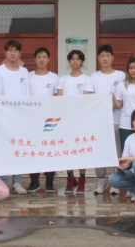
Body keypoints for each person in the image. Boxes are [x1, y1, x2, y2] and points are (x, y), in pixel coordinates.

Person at [0, 39, 29, 194]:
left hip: (20, 117)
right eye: (10, 50)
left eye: (15, 50)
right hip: (3, 117)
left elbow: (26, 94)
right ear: (5, 53)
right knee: (4, 148)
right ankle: (3, 181)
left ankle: (17, 182)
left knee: (18, 147)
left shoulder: (24, 72)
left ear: (20, 53)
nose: (12, 53)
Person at [84, 44, 126, 195]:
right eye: (102, 56)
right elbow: (88, 96)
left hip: (116, 120)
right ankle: (101, 180)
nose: (105, 58)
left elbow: (123, 97)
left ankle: (114, 181)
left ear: (113, 57)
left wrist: (110, 108)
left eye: (108, 55)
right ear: (98, 58)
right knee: (100, 150)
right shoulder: (94, 77)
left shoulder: (121, 76)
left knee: (115, 151)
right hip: (99, 121)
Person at [56, 49, 91, 194]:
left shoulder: (87, 79)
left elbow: (87, 101)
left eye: (78, 59)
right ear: (69, 61)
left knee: (81, 150)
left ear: (82, 61)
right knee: (67, 150)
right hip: (65, 120)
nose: (75, 61)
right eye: (72, 59)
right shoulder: (62, 79)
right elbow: (59, 99)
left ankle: (82, 179)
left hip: (81, 121)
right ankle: (70, 179)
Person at [27, 47, 59, 193]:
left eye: (44, 57)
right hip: (32, 119)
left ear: (49, 60)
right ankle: (34, 181)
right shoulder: (28, 76)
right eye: (39, 56)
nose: (41, 59)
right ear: (34, 59)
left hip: (50, 120)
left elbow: (58, 98)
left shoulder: (54, 77)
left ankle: (49, 181)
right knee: (33, 149)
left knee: (49, 149)